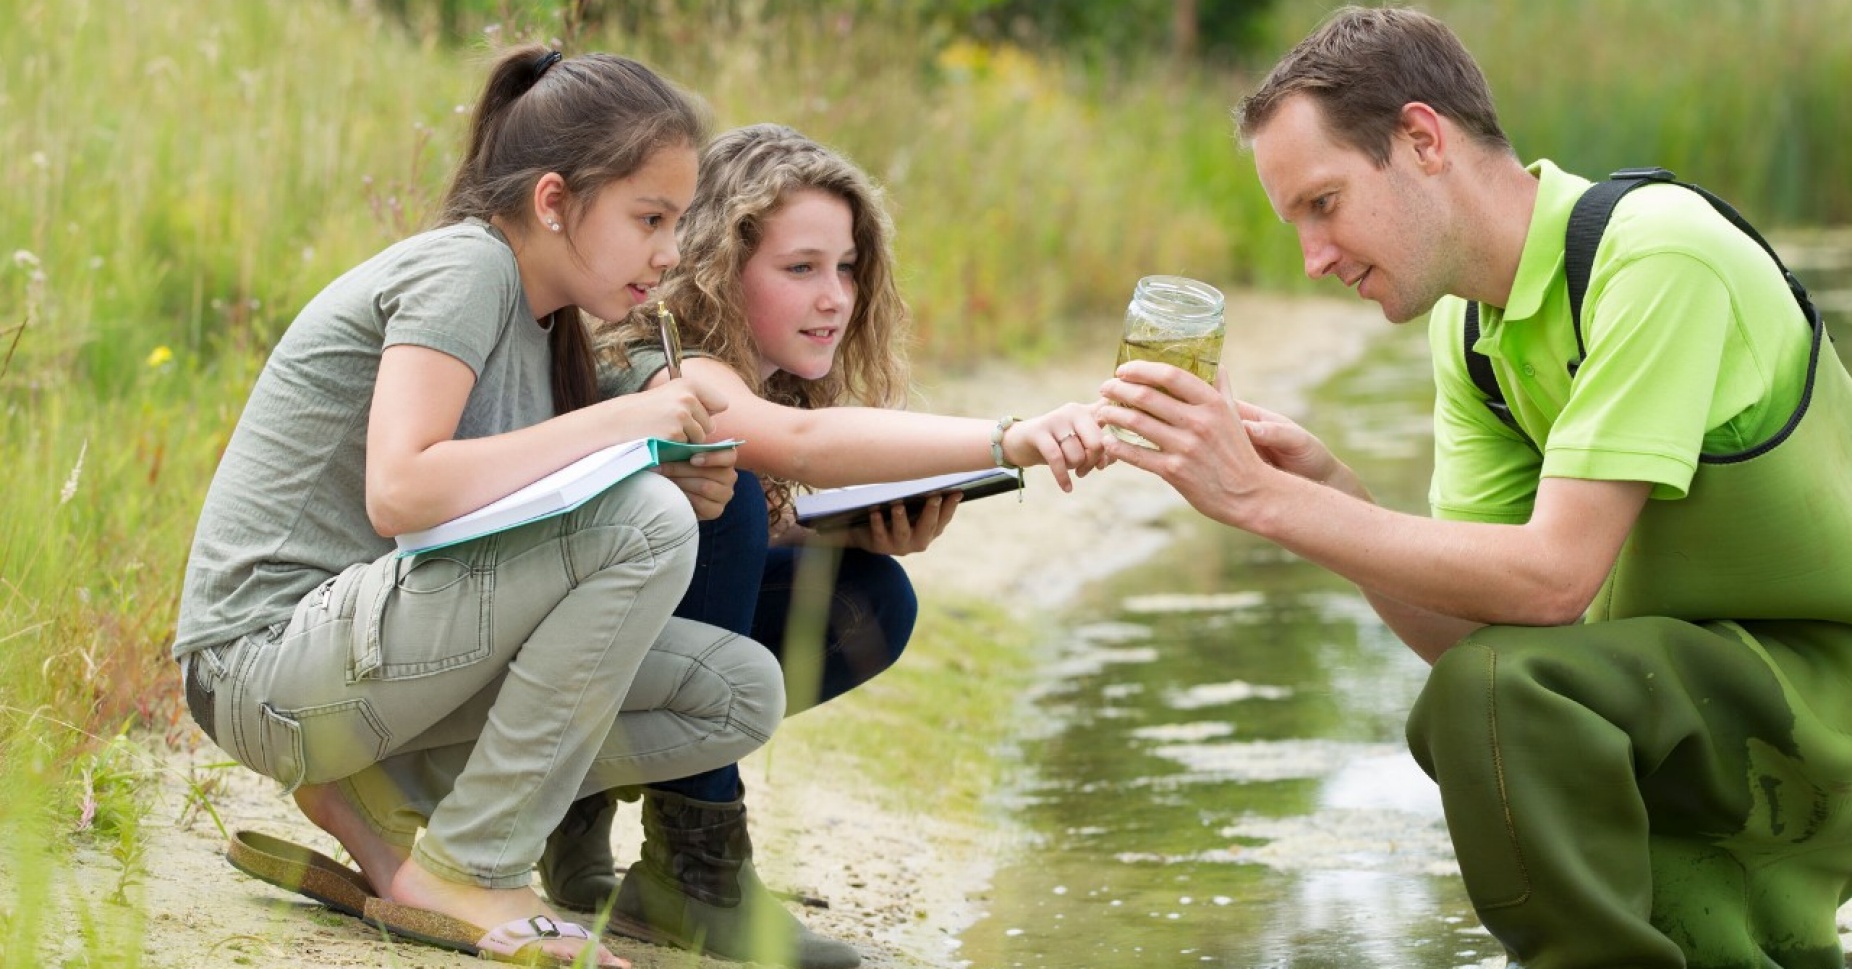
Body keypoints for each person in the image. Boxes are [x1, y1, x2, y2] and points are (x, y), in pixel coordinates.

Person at [1098, 7, 1852, 968]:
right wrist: (1331, 496)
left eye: (1322, 204)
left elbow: (1552, 582)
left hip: (1818, 715)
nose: (1313, 259)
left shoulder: (1658, 253)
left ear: (1421, 140)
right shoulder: (1472, 338)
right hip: (1705, 713)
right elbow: (1482, 640)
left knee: (1498, 691)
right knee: (1485, 689)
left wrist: (1259, 497)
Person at [174, 46, 788, 968]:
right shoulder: (465, 270)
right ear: (552, 201)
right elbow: (404, 486)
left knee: (739, 690)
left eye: (678, 220)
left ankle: (384, 797)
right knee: (647, 526)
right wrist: (626, 431)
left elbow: (501, 521)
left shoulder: (547, 328)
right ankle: (474, 861)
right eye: (650, 217)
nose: (669, 252)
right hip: (263, 664)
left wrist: (650, 468)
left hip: (368, 661)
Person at [536, 123, 1111, 968]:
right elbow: (791, 452)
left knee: (866, 598)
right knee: (721, 495)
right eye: (801, 268)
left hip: (610, 650)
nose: (835, 296)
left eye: (846, 268)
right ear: (720, 270)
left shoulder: (750, 371)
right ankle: (695, 867)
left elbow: (726, 548)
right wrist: (1011, 438)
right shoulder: (668, 363)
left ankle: (605, 808)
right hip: (538, 669)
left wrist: (846, 529)